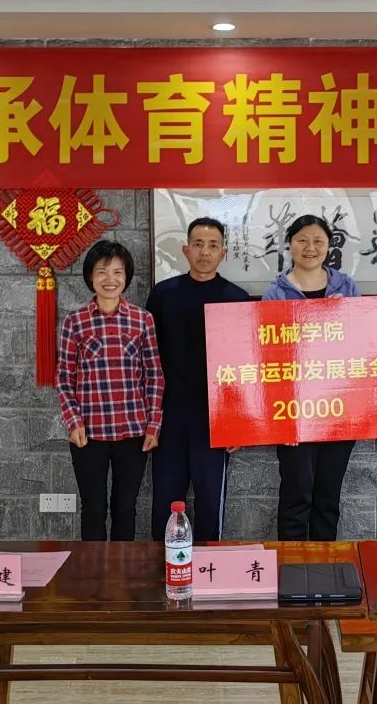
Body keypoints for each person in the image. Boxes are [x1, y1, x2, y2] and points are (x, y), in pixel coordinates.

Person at [146, 217, 249, 541]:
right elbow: (148, 358)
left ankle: (209, 565)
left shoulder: (236, 298)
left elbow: (245, 364)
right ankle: (163, 563)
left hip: (215, 417)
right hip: (169, 413)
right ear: (186, 250)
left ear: (223, 253)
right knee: (165, 499)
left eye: (213, 245)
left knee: (209, 500)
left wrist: (238, 422)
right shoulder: (163, 295)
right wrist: (150, 416)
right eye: (199, 245)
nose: (205, 252)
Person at [261, 214, 361, 540]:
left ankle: (324, 564)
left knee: (328, 497)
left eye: (318, 241)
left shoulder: (347, 288)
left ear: (329, 246)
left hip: (338, 408)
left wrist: (343, 316)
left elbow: (363, 345)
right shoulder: (275, 293)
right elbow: (268, 358)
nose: (310, 247)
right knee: (296, 494)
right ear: (289, 244)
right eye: (302, 240)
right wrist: (282, 421)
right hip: (293, 412)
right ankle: (290, 564)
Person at [56, 240, 163, 541]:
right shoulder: (75, 322)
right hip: (88, 433)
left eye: (117, 272)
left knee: (125, 508)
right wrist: (73, 421)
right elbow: (64, 377)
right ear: (91, 276)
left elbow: (154, 375)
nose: (110, 279)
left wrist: (153, 425)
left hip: (133, 432)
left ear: (126, 277)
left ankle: (121, 569)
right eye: (102, 272)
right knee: (93, 508)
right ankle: (93, 569)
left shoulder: (143, 320)